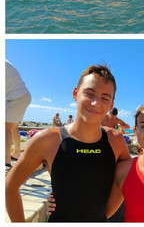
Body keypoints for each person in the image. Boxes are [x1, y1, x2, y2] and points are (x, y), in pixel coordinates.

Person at [5, 64, 132, 222]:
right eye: (89, 93)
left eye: (104, 98)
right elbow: (10, 186)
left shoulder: (116, 141)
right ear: (75, 93)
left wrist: (105, 214)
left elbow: (124, 179)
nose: (95, 103)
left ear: (111, 104)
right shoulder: (48, 140)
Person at [5, 60, 32, 169]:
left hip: (16, 98)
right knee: (13, 127)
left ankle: (6, 159)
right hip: (22, 96)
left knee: (5, 128)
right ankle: (16, 153)